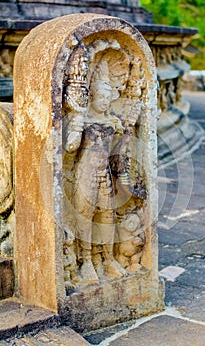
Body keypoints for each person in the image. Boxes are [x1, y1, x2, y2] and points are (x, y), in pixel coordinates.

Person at [73, 60, 126, 285]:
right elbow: (69, 149)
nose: (104, 102)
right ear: (92, 97)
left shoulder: (113, 121)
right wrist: (75, 126)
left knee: (106, 216)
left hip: (104, 174)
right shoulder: (83, 120)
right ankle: (85, 260)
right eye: (100, 98)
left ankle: (107, 258)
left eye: (107, 98)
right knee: (85, 216)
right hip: (85, 173)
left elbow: (119, 152)